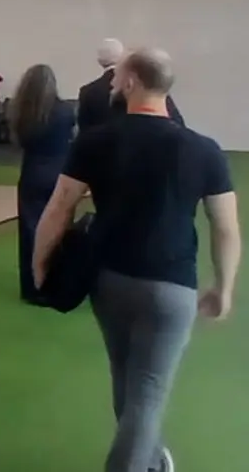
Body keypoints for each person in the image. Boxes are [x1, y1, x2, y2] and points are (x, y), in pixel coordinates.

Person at [33, 49, 240, 472]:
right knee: (146, 390)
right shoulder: (204, 149)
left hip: (109, 281)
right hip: (171, 287)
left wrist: (40, 263)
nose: (111, 84)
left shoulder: (95, 141)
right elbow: (226, 228)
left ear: (131, 83)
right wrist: (224, 287)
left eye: (115, 78)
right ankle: (141, 462)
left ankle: (149, 460)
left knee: (128, 381)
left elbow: (59, 208)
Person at [8, 64, 76, 304]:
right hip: (59, 174)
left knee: (30, 230)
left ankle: (31, 287)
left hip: (32, 172)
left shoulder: (20, 113)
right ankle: (56, 283)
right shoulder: (65, 111)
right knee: (58, 229)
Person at [78, 37, 185, 131]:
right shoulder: (153, 86)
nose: (112, 83)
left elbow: (84, 129)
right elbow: (177, 121)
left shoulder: (88, 92)